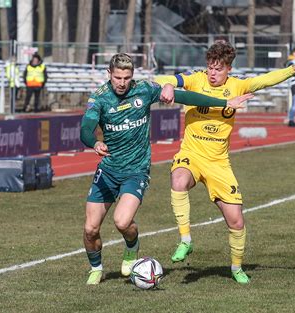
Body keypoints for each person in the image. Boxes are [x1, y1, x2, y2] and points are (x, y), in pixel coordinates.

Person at [80, 53, 253, 285]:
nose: (122, 82)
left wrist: (224, 103)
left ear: (132, 76)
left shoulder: (144, 90)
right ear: (109, 74)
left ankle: (131, 249)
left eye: (126, 77)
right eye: (117, 77)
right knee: (91, 229)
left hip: (136, 170)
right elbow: (85, 128)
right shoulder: (99, 98)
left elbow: (186, 96)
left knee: (122, 222)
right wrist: (94, 142)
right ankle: (96, 268)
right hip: (109, 170)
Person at [155, 41, 295, 284]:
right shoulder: (197, 79)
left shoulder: (238, 85)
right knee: (178, 179)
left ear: (228, 68)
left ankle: (236, 267)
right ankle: (185, 240)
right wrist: (168, 84)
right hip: (192, 154)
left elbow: (266, 79)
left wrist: (294, 70)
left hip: (218, 162)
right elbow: (168, 79)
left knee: (236, 220)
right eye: (210, 68)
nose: (212, 73)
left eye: (218, 69)